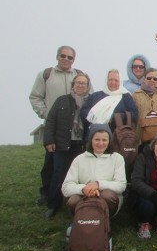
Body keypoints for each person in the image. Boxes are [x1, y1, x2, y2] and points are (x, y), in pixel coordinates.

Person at [30, 45, 88, 206]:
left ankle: (70, 196)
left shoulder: (78, 75)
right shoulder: (47, 75)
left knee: (72, 166)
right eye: (63, 56)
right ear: (57, 56)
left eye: (70, 57)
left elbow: (88, 99)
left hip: (76, 130)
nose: (66, 59)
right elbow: (35, 97)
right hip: (55, 126)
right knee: (51, 165)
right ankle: (47, 194)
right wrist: (47, 114)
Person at [42, 73, 91, 218]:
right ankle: (53, 205)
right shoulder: (62, 101)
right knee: (59, 174)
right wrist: (49, 141)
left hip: (81, 145)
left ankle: (77, 204)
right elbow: (51, 121)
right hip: (63, 144)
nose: (81, 85)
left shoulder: (91, 102)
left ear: (88, 86)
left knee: (79, 176)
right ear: (73, 85)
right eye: (78, 83)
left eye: (84, 83)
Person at [61, 124, 127, 217]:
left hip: (105, 195)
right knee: (73, 201)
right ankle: (81, 222)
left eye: (104, 140)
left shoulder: (117, 158)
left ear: (109, 141)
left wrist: (98, 184)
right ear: (91, 140)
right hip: (84, 195)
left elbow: (121, 185)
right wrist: (84, 189)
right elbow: (66, 187)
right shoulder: (79, 159)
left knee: (108, 196)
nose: (100, 143)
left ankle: (104, 223)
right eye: (97, 139)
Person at [81, 69, 138, 135]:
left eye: (116, 80)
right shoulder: (95, 96)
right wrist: (97, 116)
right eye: (110, 80)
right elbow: (83, 112)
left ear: (120, 82)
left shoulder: (126, 97)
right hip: (95, 136)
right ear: (106, 80)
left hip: (117, 137)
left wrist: (115, 117)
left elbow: (134, 115)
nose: (113, 82)